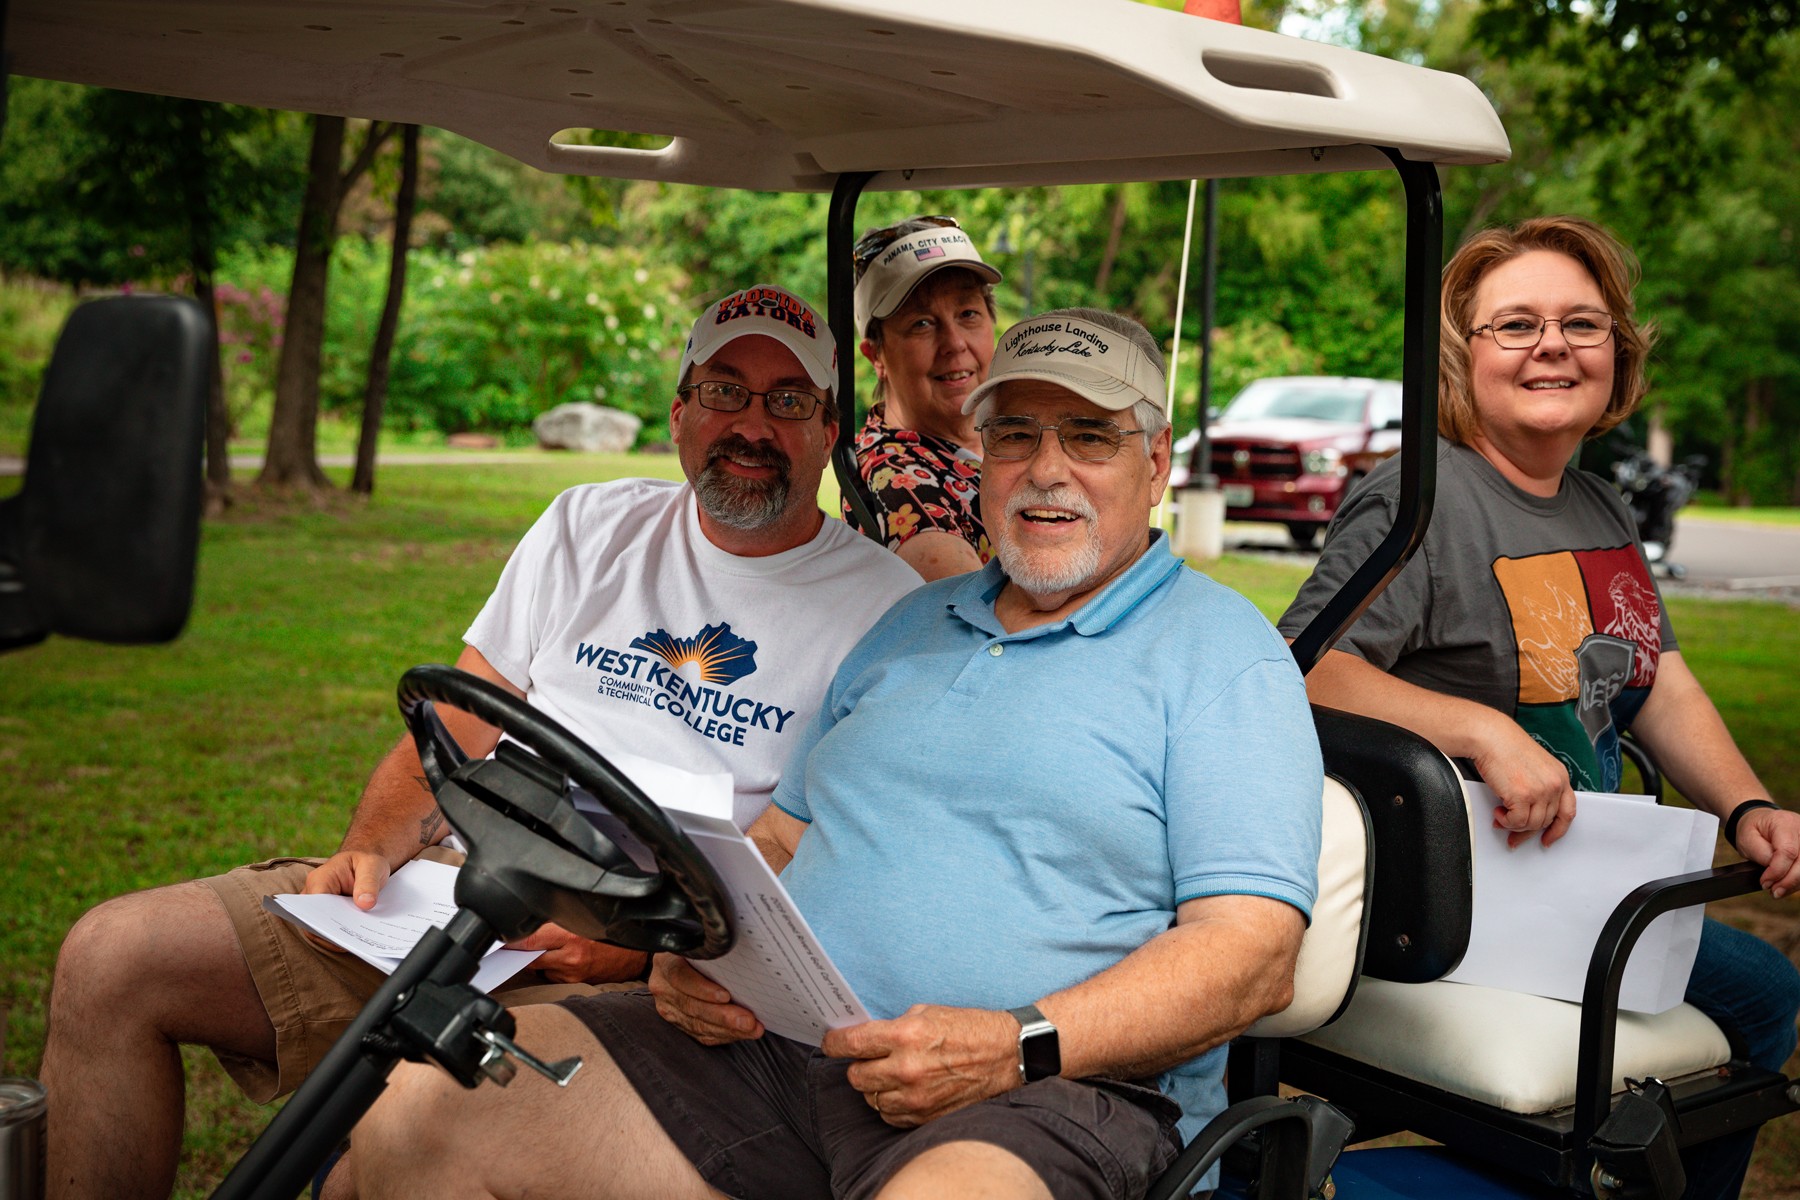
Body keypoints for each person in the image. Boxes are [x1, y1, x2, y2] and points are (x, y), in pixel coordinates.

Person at [347, 306, 1324, 1200]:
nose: (1046, 469)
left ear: (1155, 461)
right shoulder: (911, 623)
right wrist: (692, 954)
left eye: (1090, 436)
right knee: (421, 1108)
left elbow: (1253, 955)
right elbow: (775, 842)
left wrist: (1014, 1043)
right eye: (1015, 435)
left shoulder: (1223, 655)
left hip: (1038, 1092)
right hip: (771, 1057)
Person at [38, 283, 924, 1200]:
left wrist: (634, 950)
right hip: (461, 890)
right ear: (679, 411)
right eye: (724, 391)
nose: (751, 425)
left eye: (788, 401)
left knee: (371, 1167)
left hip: (645, 971)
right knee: (113, 957)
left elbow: (837, 864)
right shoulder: (588, 525)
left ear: (830, 430)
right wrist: (369, 846)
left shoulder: (887, 610)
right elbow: (462, 721)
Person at [1279, 215, 1800, 1200]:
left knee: (1746, 1004)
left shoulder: (1600, 507)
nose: (1553, 346)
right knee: (1762, 993)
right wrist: (1483, 731)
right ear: (1461, 354)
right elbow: (1303, 671)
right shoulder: (1417, 499)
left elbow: (1656, 678)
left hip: (1579, 877)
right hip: (1463, 892)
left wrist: (1749, 805)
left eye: (1582, 324)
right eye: (1516, 325)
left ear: (1618, 352)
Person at [845, 214, 1002, 580]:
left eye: (968, 314)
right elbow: (968, 613)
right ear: (876, 355)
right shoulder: (899, 484)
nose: (955, 343)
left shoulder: (1017, 430)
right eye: (922, 324)